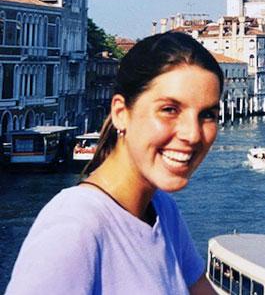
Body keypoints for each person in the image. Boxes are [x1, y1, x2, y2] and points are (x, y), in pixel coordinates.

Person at [7, 32, 223, 294]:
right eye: (169, 110)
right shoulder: (73, 226)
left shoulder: (161, 210)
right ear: (121, 113)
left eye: (208, 114)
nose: (193, 134)